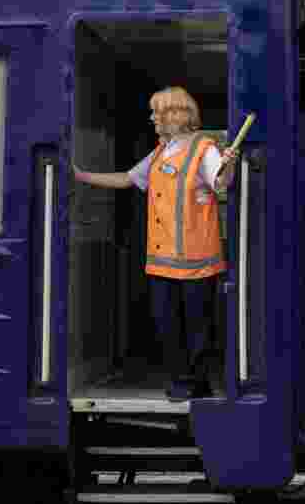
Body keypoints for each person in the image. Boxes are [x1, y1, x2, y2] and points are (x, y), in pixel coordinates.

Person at [73, 86, 239, 400]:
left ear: (176, 114)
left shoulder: (204, 149)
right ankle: (180, 381)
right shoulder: (162, 151)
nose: (153, 119)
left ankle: (197, 384)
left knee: (197, 329)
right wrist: (81, 176)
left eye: (157, 112)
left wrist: (228, 164)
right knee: (167, 325)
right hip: (162, 260)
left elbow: (220, 182)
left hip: (196, 261)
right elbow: (127, 178)